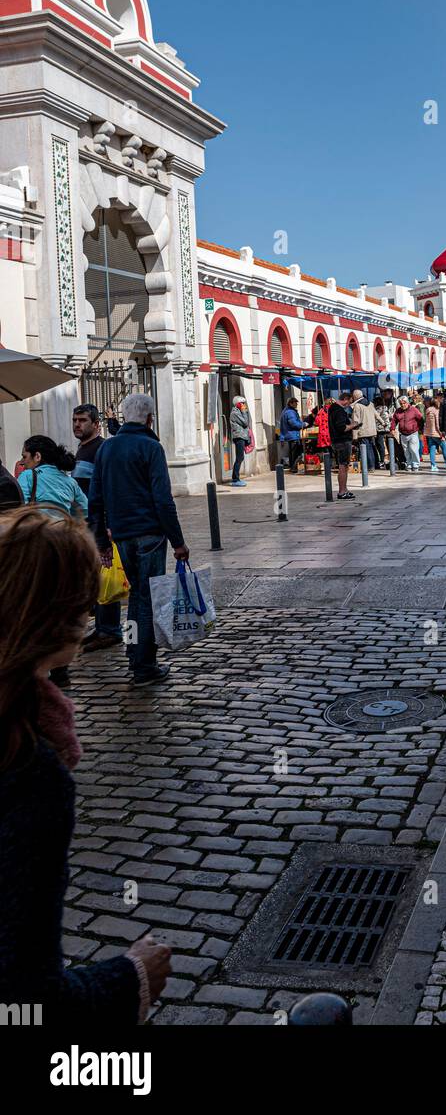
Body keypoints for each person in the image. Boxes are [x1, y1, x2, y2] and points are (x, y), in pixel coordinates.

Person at [0, 508, 172, 1021]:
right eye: (84, 596)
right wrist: (132, 977)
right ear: (61, 617)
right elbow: (24, 1004)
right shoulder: (29, 772)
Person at [87, 394, 188, 688]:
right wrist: (178, 541)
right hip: (150, 535)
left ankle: (135, 653)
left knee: (137, 599)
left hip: (121, 535)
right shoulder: (151, 447)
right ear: (149, 418)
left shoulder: (107, 448)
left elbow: (96, 499)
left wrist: (102, 542)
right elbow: (163, 500)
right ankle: (144, 666)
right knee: (147, 599)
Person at [71, 404, 123, 654]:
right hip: (86, 523)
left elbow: (108, 487)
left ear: (95, 424)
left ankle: (110, 630)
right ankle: (102, 627)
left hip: (99, 523)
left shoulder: (101, 448)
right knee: (97, 577)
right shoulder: (82, 449)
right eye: (75, 420)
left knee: (106, 576)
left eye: (82, 420)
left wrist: (108, 524)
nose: (77, 425)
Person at [328, 392, 359, 499]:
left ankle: (344, 489)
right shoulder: (339, 410)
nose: (348, 405)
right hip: (342, 441)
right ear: (345, 399)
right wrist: (353, 425)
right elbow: (342, 428)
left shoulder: (333, 408)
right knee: (343, 465)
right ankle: (342, 491)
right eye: (349, 402)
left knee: (344, 465)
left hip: (337, 440)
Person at [391, 396, 424, 472]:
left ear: (407, 403)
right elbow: (394, 420)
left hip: (413, 433)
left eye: (404, 403)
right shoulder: (398, 411)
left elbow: (421, 419)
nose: (403, 405)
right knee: (406, 451)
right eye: (401, 403)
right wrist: (392, 429)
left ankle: (415, 465)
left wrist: (420, 429)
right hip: (403, 434)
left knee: (413, 449)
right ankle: (409, 464)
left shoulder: (414, 410)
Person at [422, 395, 446, 473]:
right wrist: (441, 434)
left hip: (429, 434)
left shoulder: (427, 410)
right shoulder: (436, 410)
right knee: (444, 448)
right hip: (437, 433)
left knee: (432, 449)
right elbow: (437, 423)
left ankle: (433, 465)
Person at [351, 390, 380, 471]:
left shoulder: (357, 406)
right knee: (371, 448)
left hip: (363, 431)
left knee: (365, 449)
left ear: (355, 396)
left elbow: (355, 421)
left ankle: (369, 467)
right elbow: (376, 415)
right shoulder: (370, 403)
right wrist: (383, 422)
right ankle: (373, 465)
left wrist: (354, 436)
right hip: (371, 430)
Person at [278, 395, 304, 474]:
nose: (297, 404)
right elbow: (294, 424)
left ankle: (293, 467)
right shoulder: (290, 412)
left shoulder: (287, 411)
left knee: (293, 453)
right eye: (295, 403)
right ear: (291, 403)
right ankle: (293, 467)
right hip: (292, 435)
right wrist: (303, 424)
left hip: (290, 435)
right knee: (295, 453)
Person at [229, 397, 251, 487]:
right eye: (242, 403)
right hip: (239, 437)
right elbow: (245, 423)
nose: (244, 405)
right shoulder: (235, 412)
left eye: (244, 403)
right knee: (239, 458)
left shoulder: (239, 411)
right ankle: (235, 479)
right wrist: (244, 411)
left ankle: (236, 478)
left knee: (240, 457)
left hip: (242, 436)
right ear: (237, 403)